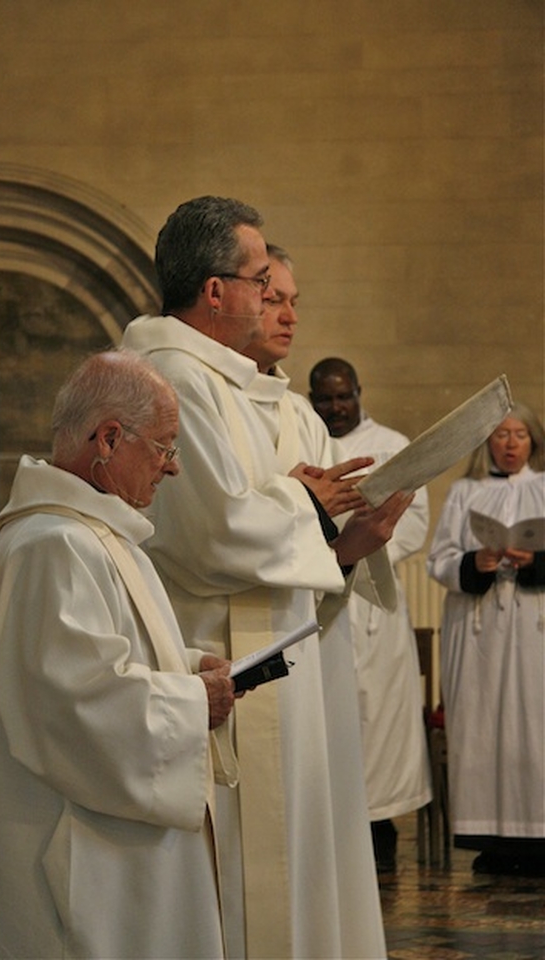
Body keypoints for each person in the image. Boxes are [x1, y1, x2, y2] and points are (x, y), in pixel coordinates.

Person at [122, 196, 412, 959]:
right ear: (215, 290)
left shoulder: (265, 396)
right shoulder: (167, 377)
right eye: (262, 282)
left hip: (296, 669)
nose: (275, 303)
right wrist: (310, 506)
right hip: (218, 659)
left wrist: (355, 542)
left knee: (307, 859)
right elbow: (211, 529)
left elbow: (302, 548)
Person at [0, 348, 238, 960]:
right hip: (75, 857)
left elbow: (99, 663)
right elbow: (73, 706)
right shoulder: (51, 544)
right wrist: (190, 702)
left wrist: (184, 668)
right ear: (107, 438)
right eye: (164, 446)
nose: (173, 468)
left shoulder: (92, 533)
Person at [309, 356, 432, 873]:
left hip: (373, 601)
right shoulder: (305, 440)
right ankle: (328, 834)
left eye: (343, 396)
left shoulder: (391, 444)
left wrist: (365, 543)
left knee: (376, 719)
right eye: (325, 399)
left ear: (359, 392)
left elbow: (414, 517)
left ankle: (379, 832)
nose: (336, 408)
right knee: (329, 720)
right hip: (322, 592)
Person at [427, 403, 545, 876]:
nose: (510, 443)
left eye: (519, 434)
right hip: (479, 629)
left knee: (533, 726)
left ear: (533, 441)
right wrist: (474, 564)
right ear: (487, 442)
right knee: (482, 724)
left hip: (534, 629)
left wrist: (536, 563)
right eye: (500, 434)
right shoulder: (463, 492)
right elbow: (440, 558)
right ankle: (489, 836)